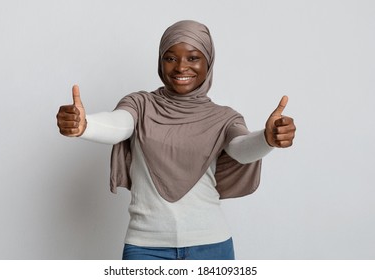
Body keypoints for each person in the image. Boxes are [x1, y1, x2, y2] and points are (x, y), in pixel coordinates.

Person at [56, 20, 296, 260]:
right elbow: (119, 125)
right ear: (160, 62)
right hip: (145, 247)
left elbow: (241, 148)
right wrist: (86, 125)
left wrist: (267, 139)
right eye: (170, 58)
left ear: (208, 62)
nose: (181, 67)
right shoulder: (141, 105)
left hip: (211, 246)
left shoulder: (224, 117)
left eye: (193, 58)